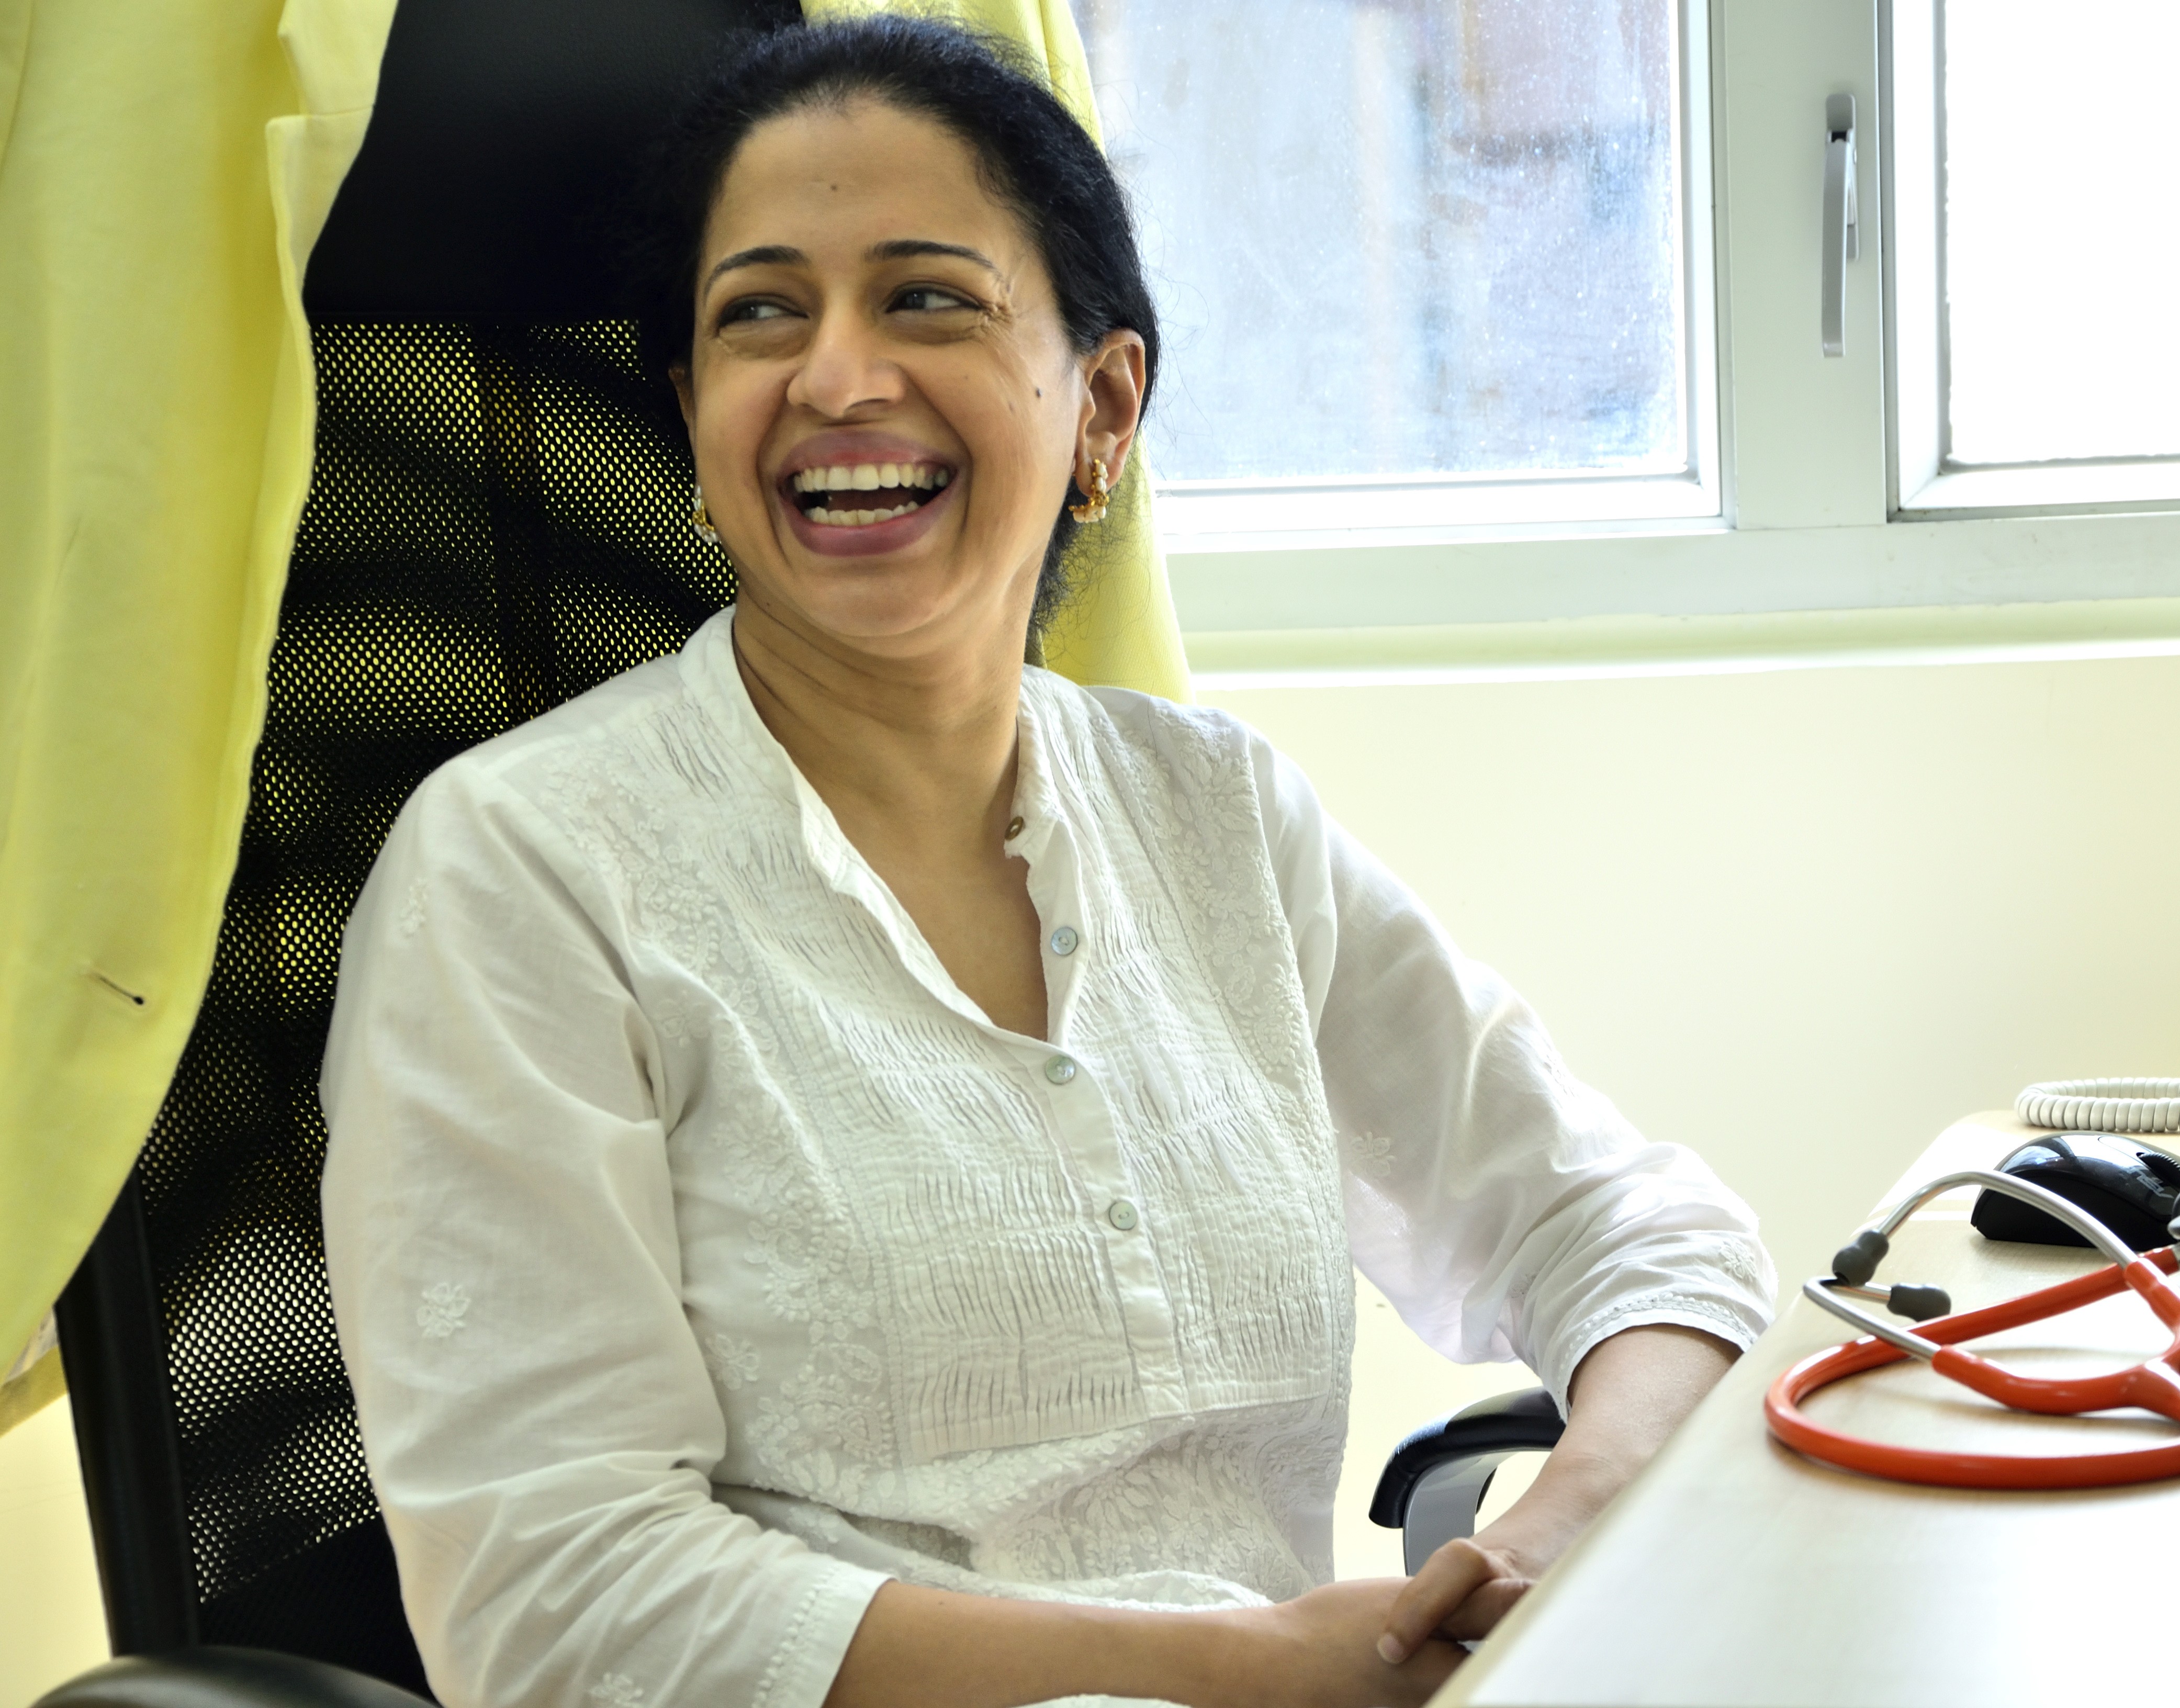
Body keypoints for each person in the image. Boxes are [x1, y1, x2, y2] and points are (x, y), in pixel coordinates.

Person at [319, 16, 1774, 1708]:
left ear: (1102, 405)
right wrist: (1233, 1667)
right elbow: (563, 1606)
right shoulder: (524, 871)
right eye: (758, 315)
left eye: (925, 296)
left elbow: (1632, 1227)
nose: (837, 376)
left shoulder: (1212, 812)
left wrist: (1550, 1549)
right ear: (698, 425)